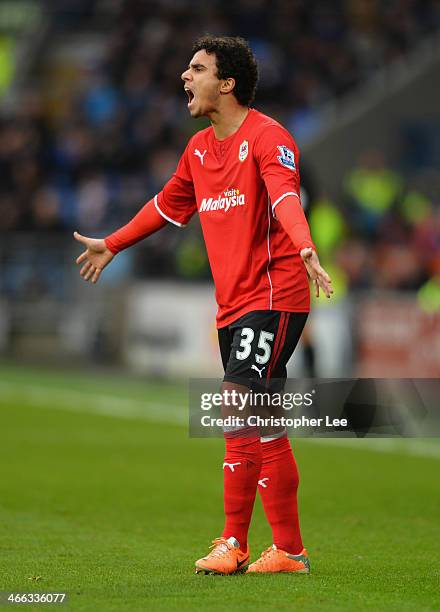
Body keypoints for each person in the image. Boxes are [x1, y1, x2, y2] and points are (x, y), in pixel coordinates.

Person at [74, 35, 333, 575]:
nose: (185, 78)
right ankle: (289, 550)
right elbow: (167, 207)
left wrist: (305, 246)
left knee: (236, 405)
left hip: (273, 294)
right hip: (234, 304)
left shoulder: (268, 136)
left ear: (228, 82)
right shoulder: (197, 149)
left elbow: (286, 194)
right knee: (264, 423)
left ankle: (232, 543)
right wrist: (113, 243)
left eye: (197, 69)